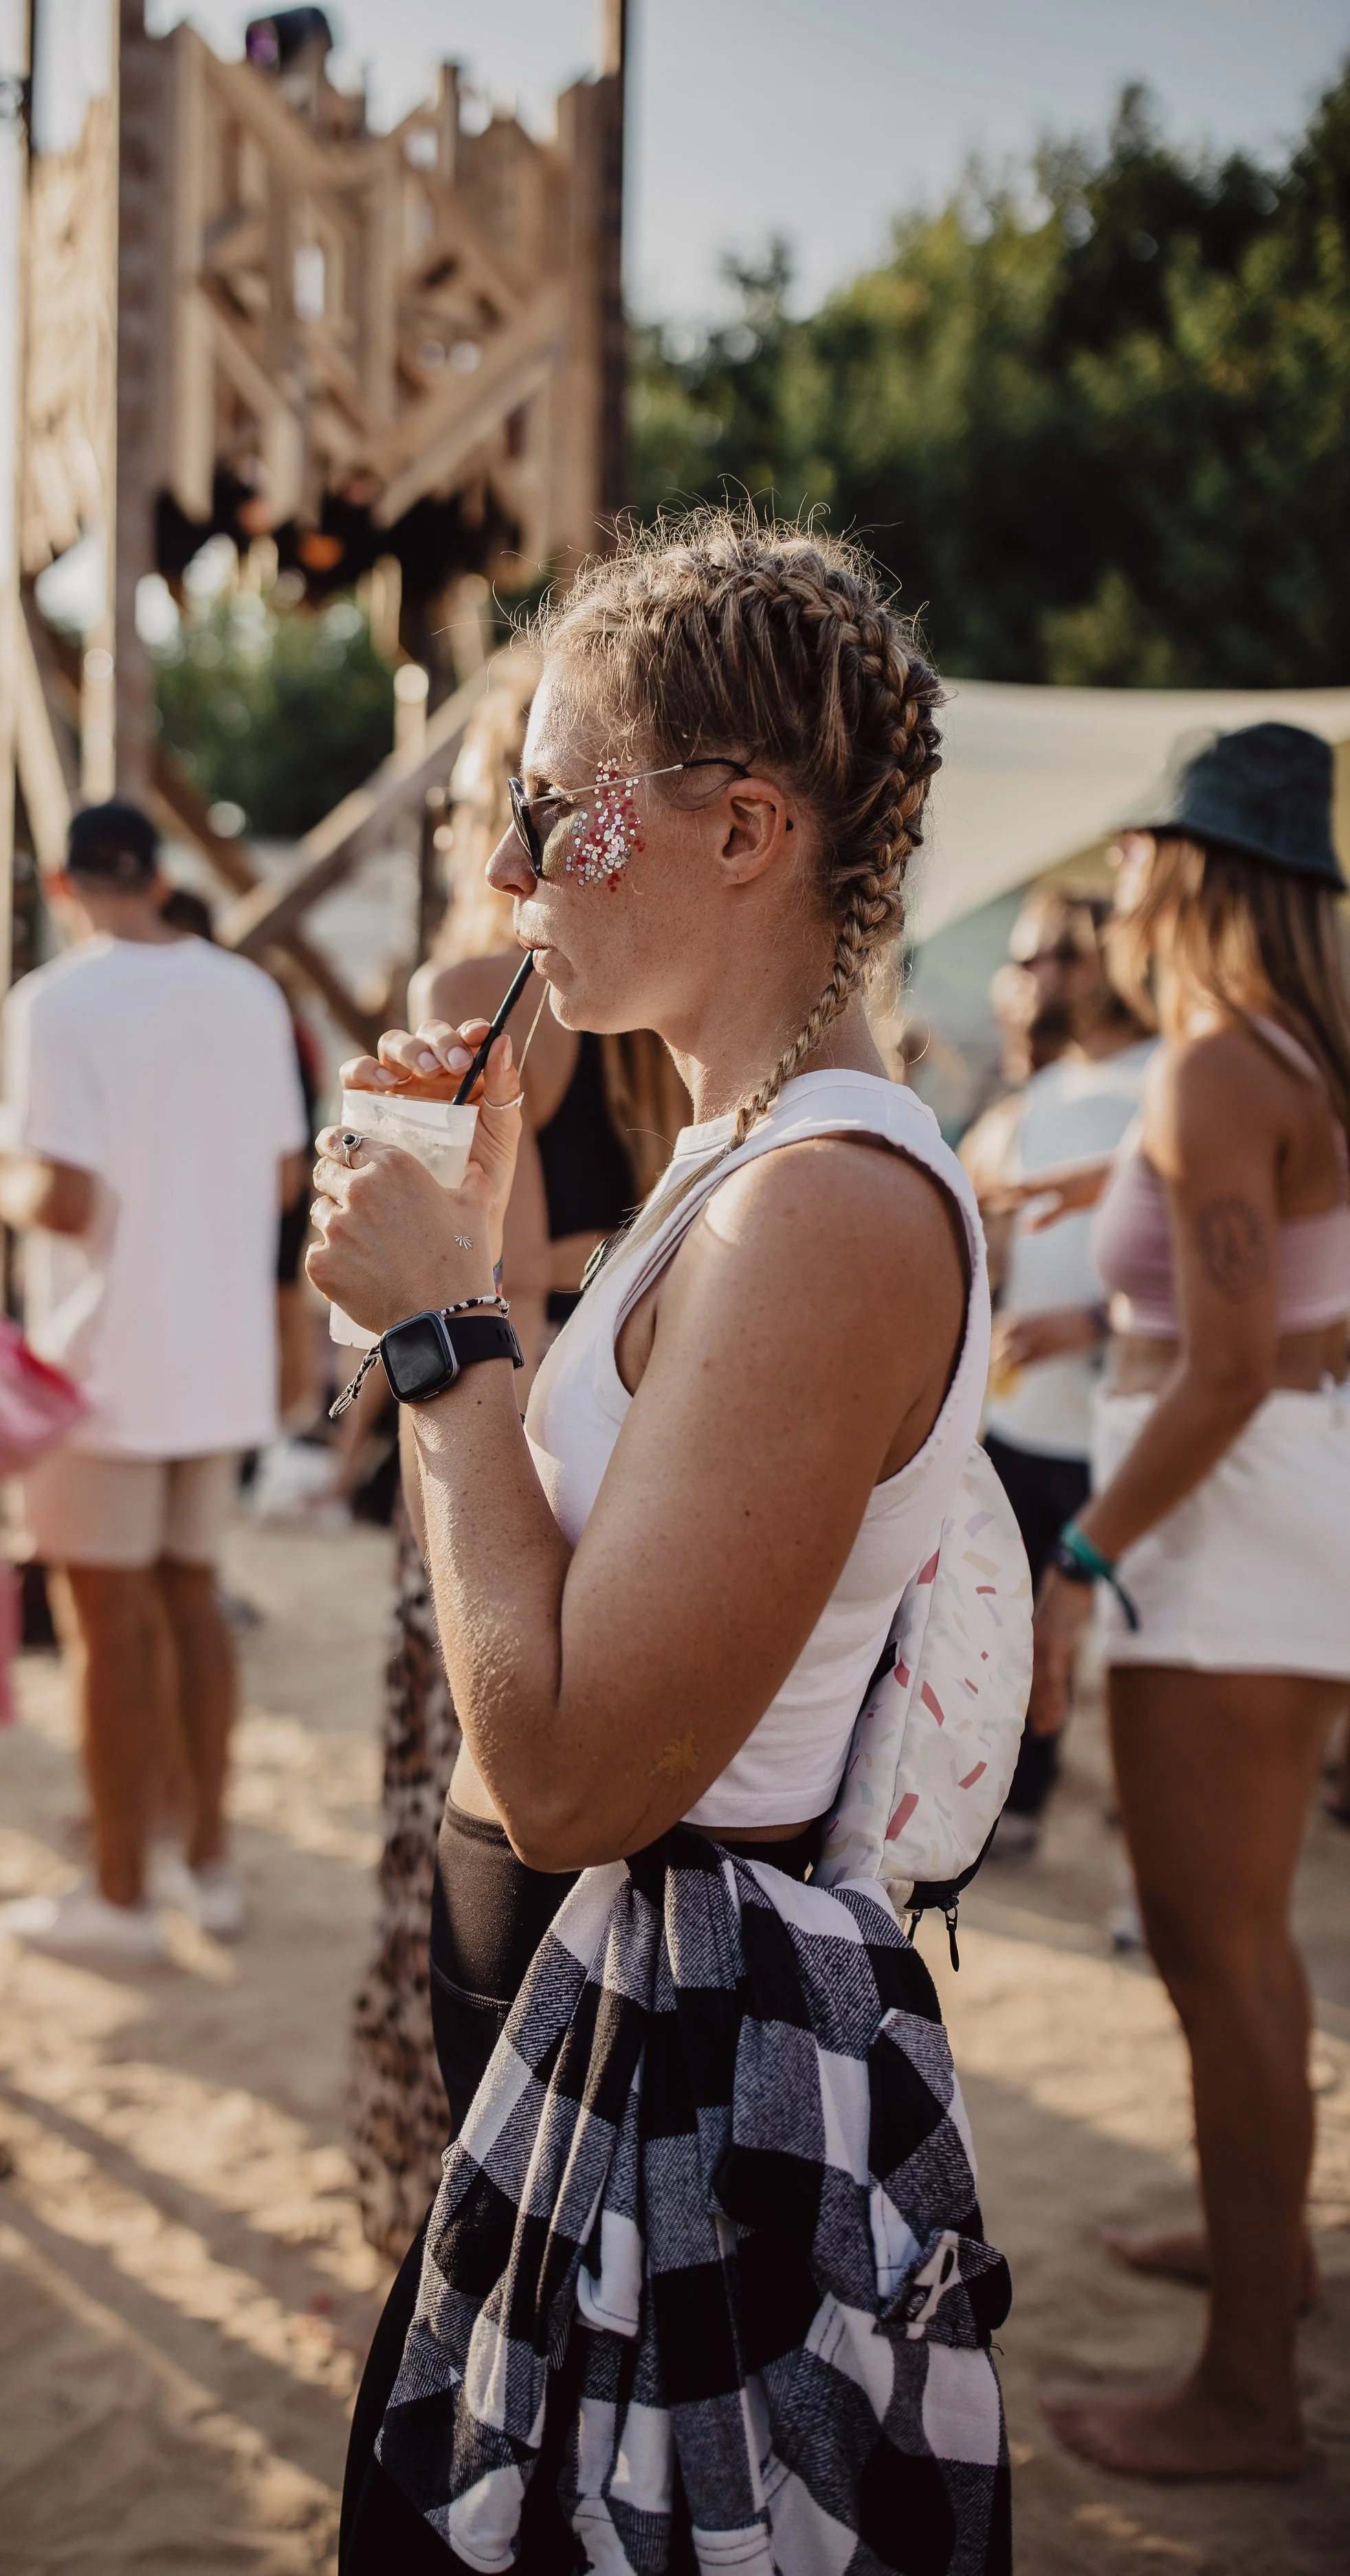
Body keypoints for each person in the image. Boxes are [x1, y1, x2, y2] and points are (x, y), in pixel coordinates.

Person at [314, 512, 1008, 2571]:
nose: (511, 872)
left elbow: (566, 1772)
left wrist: (451, 1333)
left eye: (552, 809)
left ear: (743, 827)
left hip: (686, 2046)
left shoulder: (823, 1207)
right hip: (595, 1992)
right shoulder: (732, 1157)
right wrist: (436, 1264)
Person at [1026, 722, 1350, 2482]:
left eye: (1144, 843)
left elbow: (1221, 1368)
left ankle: (1244, 2391)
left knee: (1212, 1958)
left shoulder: (1216, 1066)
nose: (1121, 873)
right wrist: (1109, 1228)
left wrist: (1084, 1558)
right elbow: (1301, 1309)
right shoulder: (1299, 1053)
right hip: (1287, 1501)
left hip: (1217, 1526)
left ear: (1199, 866)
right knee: (1254, 1950)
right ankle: (1268, 2253)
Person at [346, 670, 689, 2259]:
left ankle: (440, 2192)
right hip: (653, 1419)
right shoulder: (668, 1019)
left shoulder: (484, 976)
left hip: (504, 1417)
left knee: (461, 1816)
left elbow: (406, 1247)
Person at [0, 800, 308, 1958]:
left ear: (67, 886)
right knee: (193, 1602)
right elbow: (284, 1177)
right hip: (213, 1352)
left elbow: (64, 1198)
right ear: (162, 873)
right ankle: (209, 1862)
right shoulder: (250, 991)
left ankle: (121, 1890)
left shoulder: (55, 1002)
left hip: (99, 1356)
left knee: (105, 1629)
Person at [960, 894, 1153, 1856]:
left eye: (1063, 958)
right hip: (1021, 1417)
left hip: (1129, 1425)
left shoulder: (1172, 1082)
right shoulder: (1029, 1098)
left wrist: (1093, 1325)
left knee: (1123, 1649)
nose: (1040, 978)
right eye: (1028, 959)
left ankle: (1140, 1852)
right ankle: (1018, 1804)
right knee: (1012, 1628)